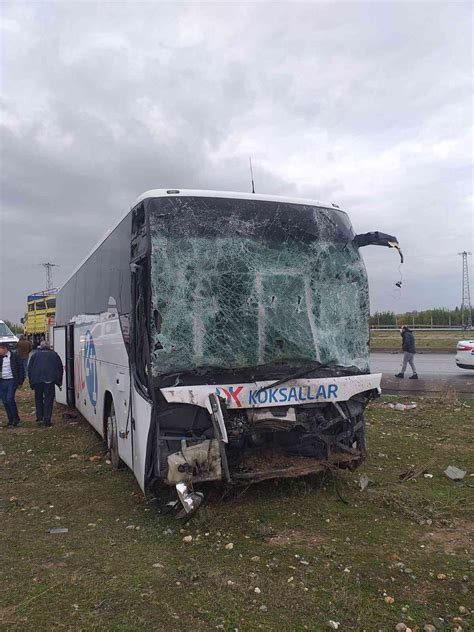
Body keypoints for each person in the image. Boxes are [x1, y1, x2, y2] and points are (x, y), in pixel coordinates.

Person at [28, 341, 63, 426]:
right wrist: (59, 381)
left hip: (37, 381)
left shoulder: (35, 355)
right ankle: (47, 420)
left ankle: (39, 417)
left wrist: (31, 381)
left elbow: (30, 369)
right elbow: (60, 368)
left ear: (41, 346)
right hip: (50, 380)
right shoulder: (54, 355)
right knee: (48, 400)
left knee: (38, 399)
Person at [0, 342, 25, 427]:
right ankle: (10, 419)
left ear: (5, 349)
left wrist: (20, 381)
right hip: (2, 381)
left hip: (12, 380)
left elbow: (21, 368)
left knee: (10, 398)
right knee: (5, 400)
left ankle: (16, 419)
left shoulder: (15, 357)